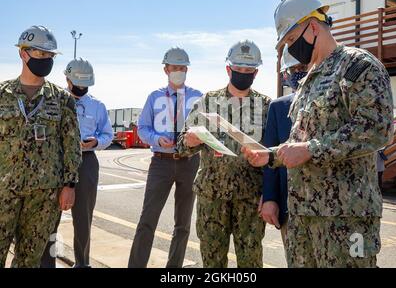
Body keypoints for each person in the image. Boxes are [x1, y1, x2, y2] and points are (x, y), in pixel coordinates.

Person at [243, 0, 394, 268]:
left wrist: (311, 150)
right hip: (302, 216)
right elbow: (299, 142)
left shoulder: (358, 66)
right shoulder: (310, 78)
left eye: (290, 40)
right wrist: (269, 156)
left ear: (312, 27)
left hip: (346, 218)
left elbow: (377, 129)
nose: (290, 48)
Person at [177, 40, 271, 268]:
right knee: (212, 260)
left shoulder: (266, 105)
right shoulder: (208, 101)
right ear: (228, 69)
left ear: (256, 73)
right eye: (239, 70)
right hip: (212, 197)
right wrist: (189, 140)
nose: (243, 74)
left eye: (249, 71)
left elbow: (274, 157)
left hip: (250, 198)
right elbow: (180, 146)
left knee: (250, 262)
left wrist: (268, 195)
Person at [0, 26, 81, 268]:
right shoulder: (2, 94)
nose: (45, 60)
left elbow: (71, 144)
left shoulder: (62, 99)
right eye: (40, 54)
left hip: (44, 194)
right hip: (3, 190)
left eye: (49, 56)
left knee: (30, 260)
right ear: (23, 54)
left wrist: (70, 185)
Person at [128, 48, 202, 268]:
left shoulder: (199, 97)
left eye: (182, 68)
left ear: (186, 70)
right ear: (165, 69)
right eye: (174, 68)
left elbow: (208, 129)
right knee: (147, 220)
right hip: (161, 161)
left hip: (190, 163)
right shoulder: (155, 97)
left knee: (183, 224)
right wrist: (157, 140)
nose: (178, 71)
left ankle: (174, 269)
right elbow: (142, 128)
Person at [41, 58, 113, 268]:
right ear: (67, 79)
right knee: (49, 218)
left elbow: (108, 134)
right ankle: (46, 264)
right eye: (77, 85)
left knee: (83, 219)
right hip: (56, 162)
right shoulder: (54, 101)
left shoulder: (97, 106)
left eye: (85, 86)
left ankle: (82, 263)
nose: (81, 89)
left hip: (86, 162)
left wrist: (96, 141)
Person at [260, 44, 307, 252]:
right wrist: (270, 198)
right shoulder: (278, 107)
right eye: (292, 70)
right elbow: (270, 160)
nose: (298, 73)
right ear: (285, 75)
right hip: (290, 208)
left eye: (302, 67)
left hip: (328, 207)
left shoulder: (332, 100)